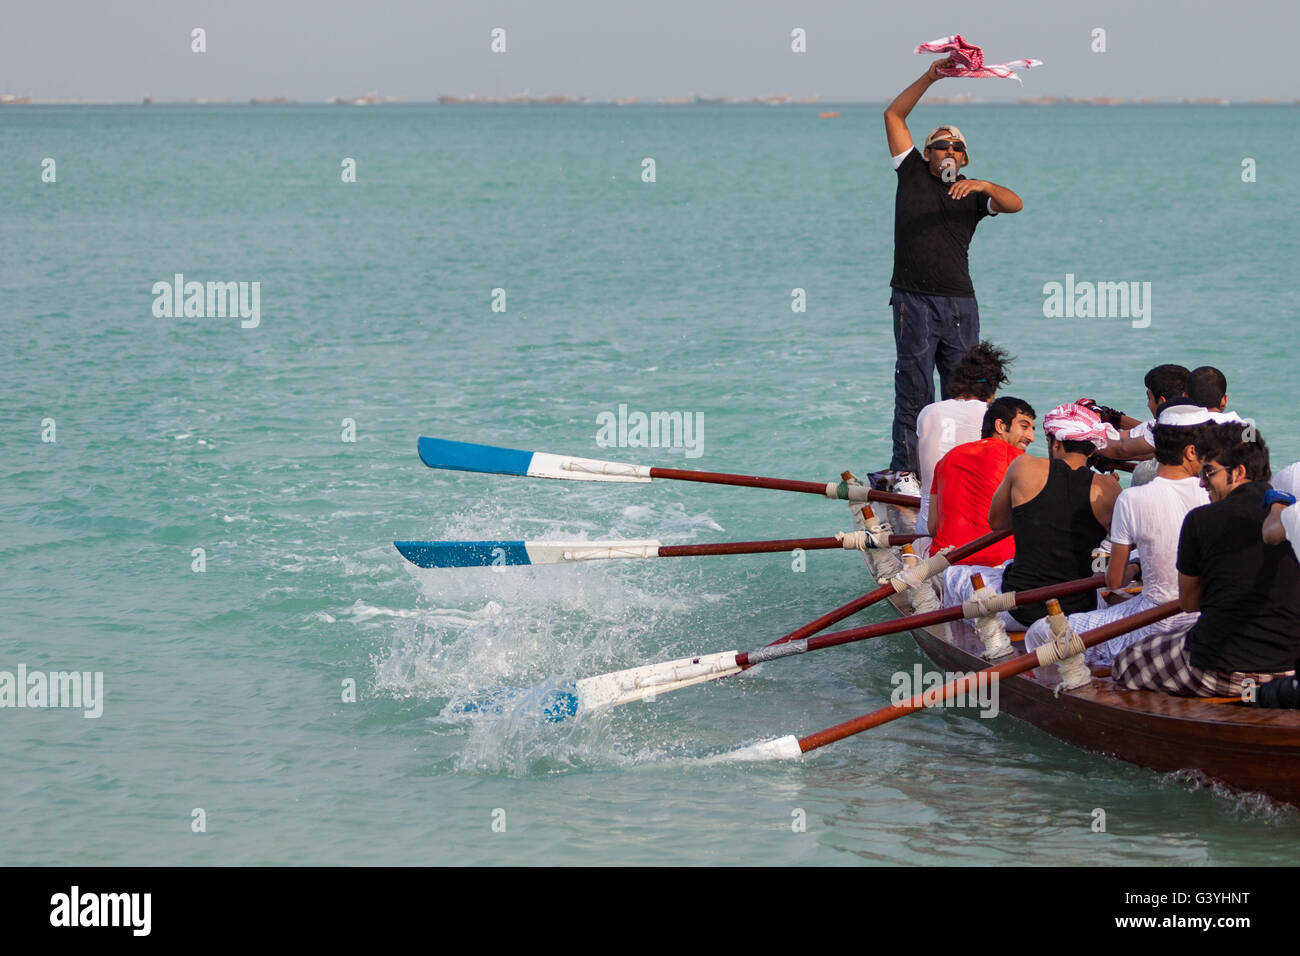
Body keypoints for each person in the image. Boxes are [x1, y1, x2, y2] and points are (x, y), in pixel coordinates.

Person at [882, 57, 1023, 483]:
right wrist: (931, 76)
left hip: (960, 304)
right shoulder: (911, 174)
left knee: (970, 391)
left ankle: (969, 471)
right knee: (915, 386)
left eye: (957, 147)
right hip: (913, 300)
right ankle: (909, 471)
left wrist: (983, 186)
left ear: (964, 159)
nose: (949, 151)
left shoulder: (975, 194)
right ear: (926, 154)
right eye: (941, 145)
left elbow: (1015, 202)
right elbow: (894, 114)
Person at [1113, 423, 1300, 697]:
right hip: (1290, 668)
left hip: (1224, 667)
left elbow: (1189, 603)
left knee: (1126, 661)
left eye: (1209, 472)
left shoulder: (1200, 520)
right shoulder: (1291, 517)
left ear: (1238, 472)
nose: (1201, 482)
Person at [1023, 403, 1210, 667]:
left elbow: (1114, 581)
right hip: (1206, 619)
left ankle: (1090, 680)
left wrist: (1132, 568)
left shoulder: (1132, 498)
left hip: (1155, 622)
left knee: (1040, 631)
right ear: (1192, 451)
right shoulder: (1214, 493)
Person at [941, 402, 1119, 627]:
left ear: (1055, 443)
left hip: (1020, 610)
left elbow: (997, 522)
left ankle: (964, 639)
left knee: (952, 575)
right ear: (1093, 449)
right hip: (1079, 612)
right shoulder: (1110, 489)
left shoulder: (1023, 466)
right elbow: (1113, 551)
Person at [914, 341, 1014, 552]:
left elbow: (924, 476)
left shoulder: (928, 412)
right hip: (968, 534)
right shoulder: (992, 417)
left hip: (925, 525)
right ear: (993, 387)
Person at [928, 396, 1034, 567]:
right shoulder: (1019, 461)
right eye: (1024, 427)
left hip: (948, 565)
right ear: (1000, 426)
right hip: (1000, 565)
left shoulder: (946, 459)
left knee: (921, 544)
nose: (1031, 437)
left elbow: (932, 527)